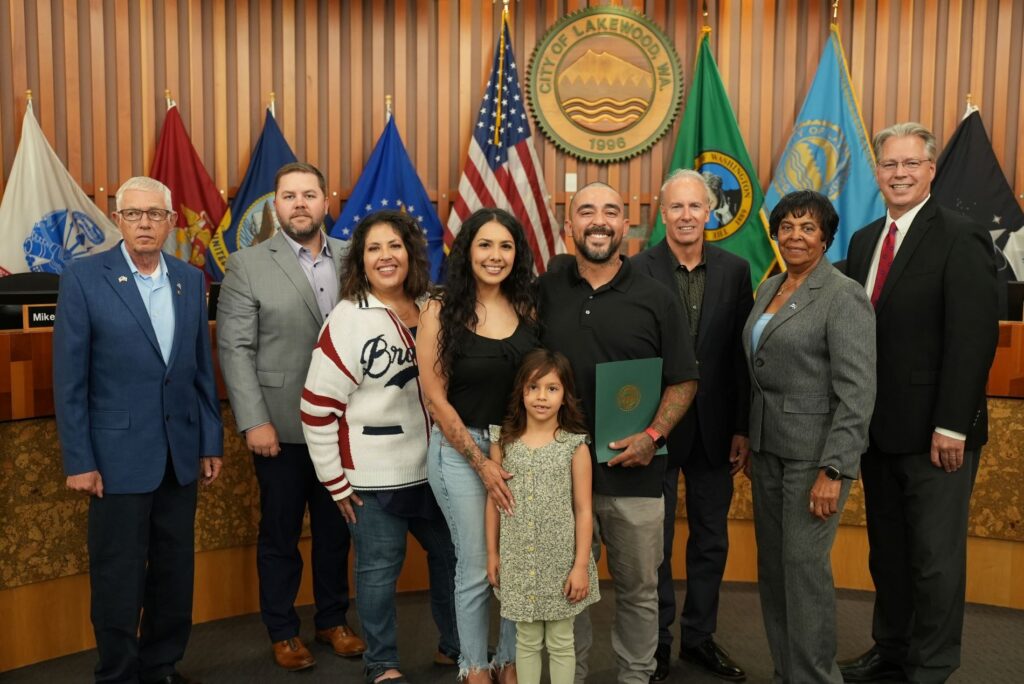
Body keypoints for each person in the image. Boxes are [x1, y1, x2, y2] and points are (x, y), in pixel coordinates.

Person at [839, 123, 999, 684]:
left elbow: (972, 338)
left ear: (931, 170)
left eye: (911, 163)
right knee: (888, 555)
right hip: (876, 431)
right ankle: (893, 648)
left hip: (938, 436)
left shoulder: (961, 235)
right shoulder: (862, 241)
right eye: (889, 164)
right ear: (876, 172)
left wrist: (952, 425)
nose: (900, 173)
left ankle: (931, 665)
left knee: (934, 560)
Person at [53, 176, 223, 684]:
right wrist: (79, 459)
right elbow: (70, 380)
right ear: (118, 220)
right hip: (115, 458)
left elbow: (199, 370)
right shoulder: (84, 278)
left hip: (180, 454)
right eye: (134, 214)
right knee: (119, 576)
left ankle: (162, 665)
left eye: (155, 214)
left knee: (174, 572)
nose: (145, 223)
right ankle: (120, 672)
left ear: (172, 222)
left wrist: (210, 440)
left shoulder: (190, 280)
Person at [538, 182, 700, 684]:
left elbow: (684, 378)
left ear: (626, 226)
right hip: (559, 475)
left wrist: (652, 434)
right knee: (569, 592)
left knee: (639, 591)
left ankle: (635, 677)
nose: (600, 221)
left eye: (611, 211)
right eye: (587, 211)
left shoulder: (656, 296)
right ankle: (572, 676)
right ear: (570, 227)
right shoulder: (546, 291)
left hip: (634, 472)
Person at [300, 210, 459, 684]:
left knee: (454, 560)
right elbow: (316, 410)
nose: (386, 256)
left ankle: (457, 647)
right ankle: (382, 663)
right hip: (373, 477)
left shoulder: (436, 307)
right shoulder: (348, 318)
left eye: (395, 245)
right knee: (377, 572)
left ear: (412, 252)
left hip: (439, 471)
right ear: (360, 262)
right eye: (373, 248)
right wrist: (335, 483)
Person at [216, 162, 365, 671]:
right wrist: (252, 421)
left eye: (309, 194)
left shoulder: (356, 258)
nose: (299, 203)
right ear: (274, 205)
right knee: (280, 534)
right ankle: (282, 630)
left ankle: (332, 621)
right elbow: (234, 349)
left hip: (346, 426)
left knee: (336, 531)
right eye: (288, 196)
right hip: (279, 427)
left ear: (328, 201)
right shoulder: (247, 264)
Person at [742, 190, 876, 683]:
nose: (795, 235)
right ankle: (787, 673)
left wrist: (835, 470)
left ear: (825, 238)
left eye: (808, 227)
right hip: (767, 452)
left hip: (814, 461)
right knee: (775, 575)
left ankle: (817, 678)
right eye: (788, 226)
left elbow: (857, 392)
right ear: (775, 233)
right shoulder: (769, 287)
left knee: (804, 575)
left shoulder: (843, 295)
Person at [632, 169, 752, 682]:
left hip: (716, 430)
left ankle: (700, 639)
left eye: (694, 207)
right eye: (675, 207)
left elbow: (740, 356)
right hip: (654, 429)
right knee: (652, 544)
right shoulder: (635, 268)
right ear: (662, 215)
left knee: (709, 539)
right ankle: (656, 644)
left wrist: (743, 427)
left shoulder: (735, 269)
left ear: (709, 212)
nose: (685, 216)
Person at [420, 207, 541, 684]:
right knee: (475, 567)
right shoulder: (439, 308)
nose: (495, 256)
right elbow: (434, 397)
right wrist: (481, 464)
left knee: (515, 565)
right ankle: (473, 669)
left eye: (506, 246)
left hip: (517, 450)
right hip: (460, 450)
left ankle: (509, 662)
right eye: (485, 245)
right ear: (467, 251)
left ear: (518, 253)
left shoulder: (529, 307)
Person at [485, 349, 601, 684]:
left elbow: (583, 509)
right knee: (527, 638)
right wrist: (493, 553)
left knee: (562, 640)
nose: (541, 397)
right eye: (533, 387)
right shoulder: (503, 443)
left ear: (565, 397)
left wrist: (580, 565)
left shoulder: (575, 446)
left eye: (552, 389)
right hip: (519, 559)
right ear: (521, 392)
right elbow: (492, 503)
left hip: (560, 561)